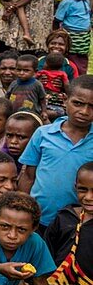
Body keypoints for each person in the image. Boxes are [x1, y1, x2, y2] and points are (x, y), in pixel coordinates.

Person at [20, 74, 93, 228]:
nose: (85, 111)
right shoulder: (43, 133)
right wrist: (22, 208)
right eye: (78, 103)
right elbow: (28, 175)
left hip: (80, 223)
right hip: (40, 219)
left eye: (92, 106)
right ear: (65, 100)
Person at [43, 161, 93, 285]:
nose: (88, 197)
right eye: (83, 189)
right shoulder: (65, 218)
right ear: (75, 187)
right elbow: (46, 257)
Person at [55, 0, 92, 74]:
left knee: (82, 61)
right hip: (72, 37)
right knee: (72, 62)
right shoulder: (68, 2)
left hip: (84, 38)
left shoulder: (86, 0)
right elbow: (57, 20)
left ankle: (80, 82)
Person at [38, 52, 71, 121]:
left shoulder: (43, 72)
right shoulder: (62, 74)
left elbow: (33, 78)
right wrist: (69, 95)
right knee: (59, 110)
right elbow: (67, 84)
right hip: (56, 97)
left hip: (44, 96)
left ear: (47, 64)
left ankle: (43, 114)